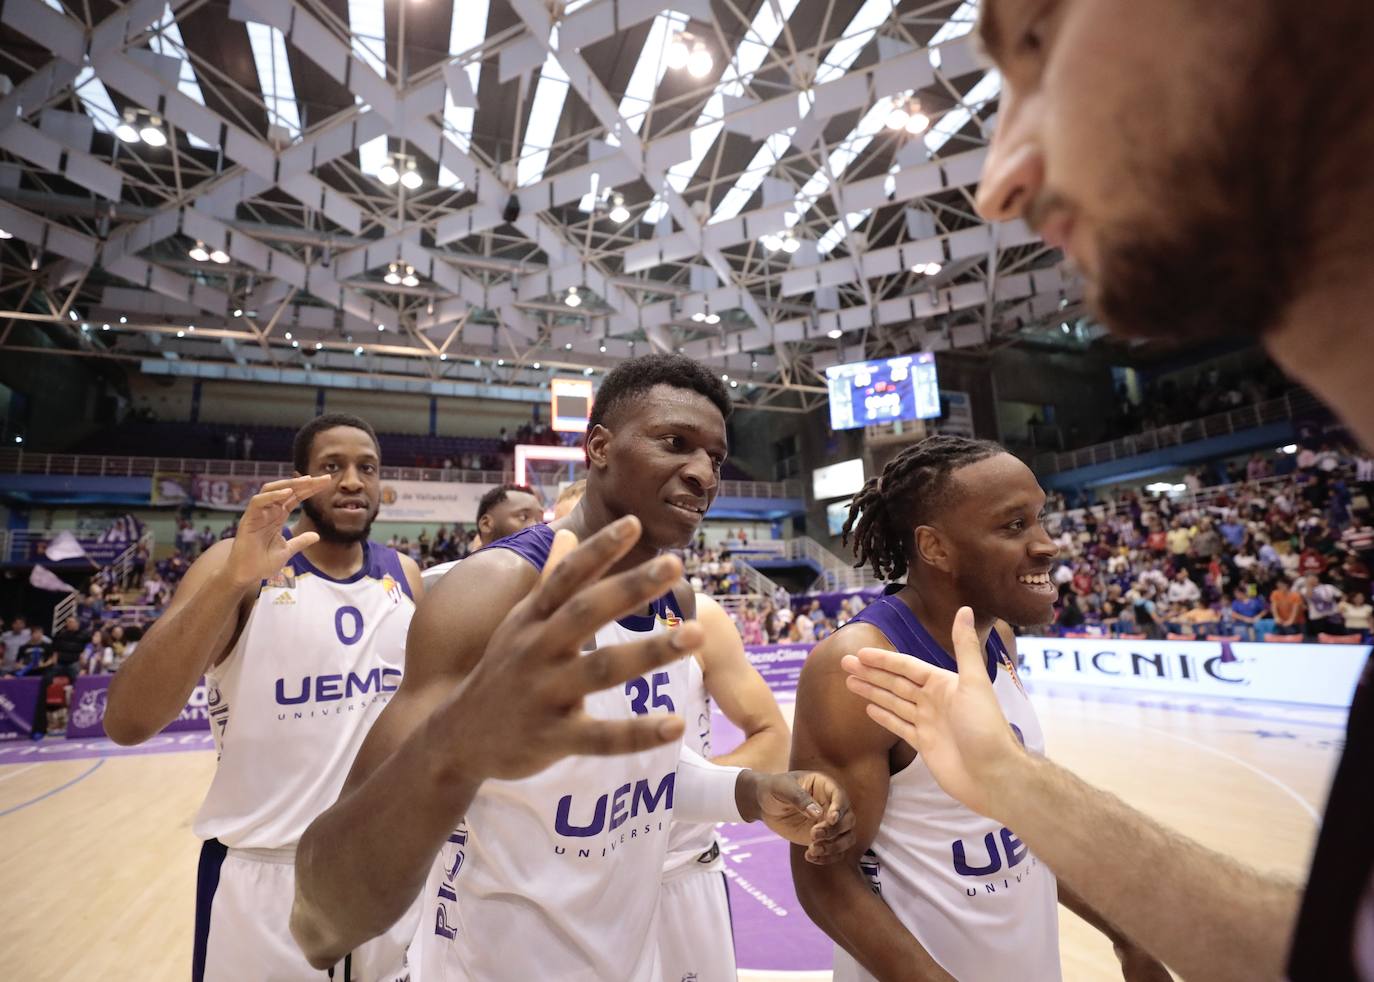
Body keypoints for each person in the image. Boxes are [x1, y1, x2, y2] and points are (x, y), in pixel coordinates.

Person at [842, 0, 1374, 976]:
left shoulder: (985, 638)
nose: (997, 179)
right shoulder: (879, 660)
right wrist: (1024, 796)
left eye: (1038, 38)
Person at [290, 354, 854, 980]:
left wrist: (746, 792)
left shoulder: (676, 599)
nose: (702, 473)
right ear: (599, 446)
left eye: (716, 458)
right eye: (675, 443)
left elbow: (630, 780)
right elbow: (324, 916)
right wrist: (457, 746)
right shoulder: (493, 591)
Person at [791, 436, 1162, 981]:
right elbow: (823, 875)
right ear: (935, 548)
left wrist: (1127, 933)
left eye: (1040, 518)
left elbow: (1025, 824)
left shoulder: (999, 639)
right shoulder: (860, 666)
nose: (1046, 544)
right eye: (1014, 526)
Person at [104, 413, 423, 982]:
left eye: (366, 468)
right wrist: (230, 581)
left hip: (382, 877)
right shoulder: (235, 568)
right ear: (299, 480)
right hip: (265, 877)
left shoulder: (404, 575)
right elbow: (128, 721)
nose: (352, 481)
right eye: (332, 467)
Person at [420, 483, 544, 589]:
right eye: (523, 517)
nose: (537, 527)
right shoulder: (433, 582)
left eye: (540, 520)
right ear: (486, 524)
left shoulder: (545, 588)